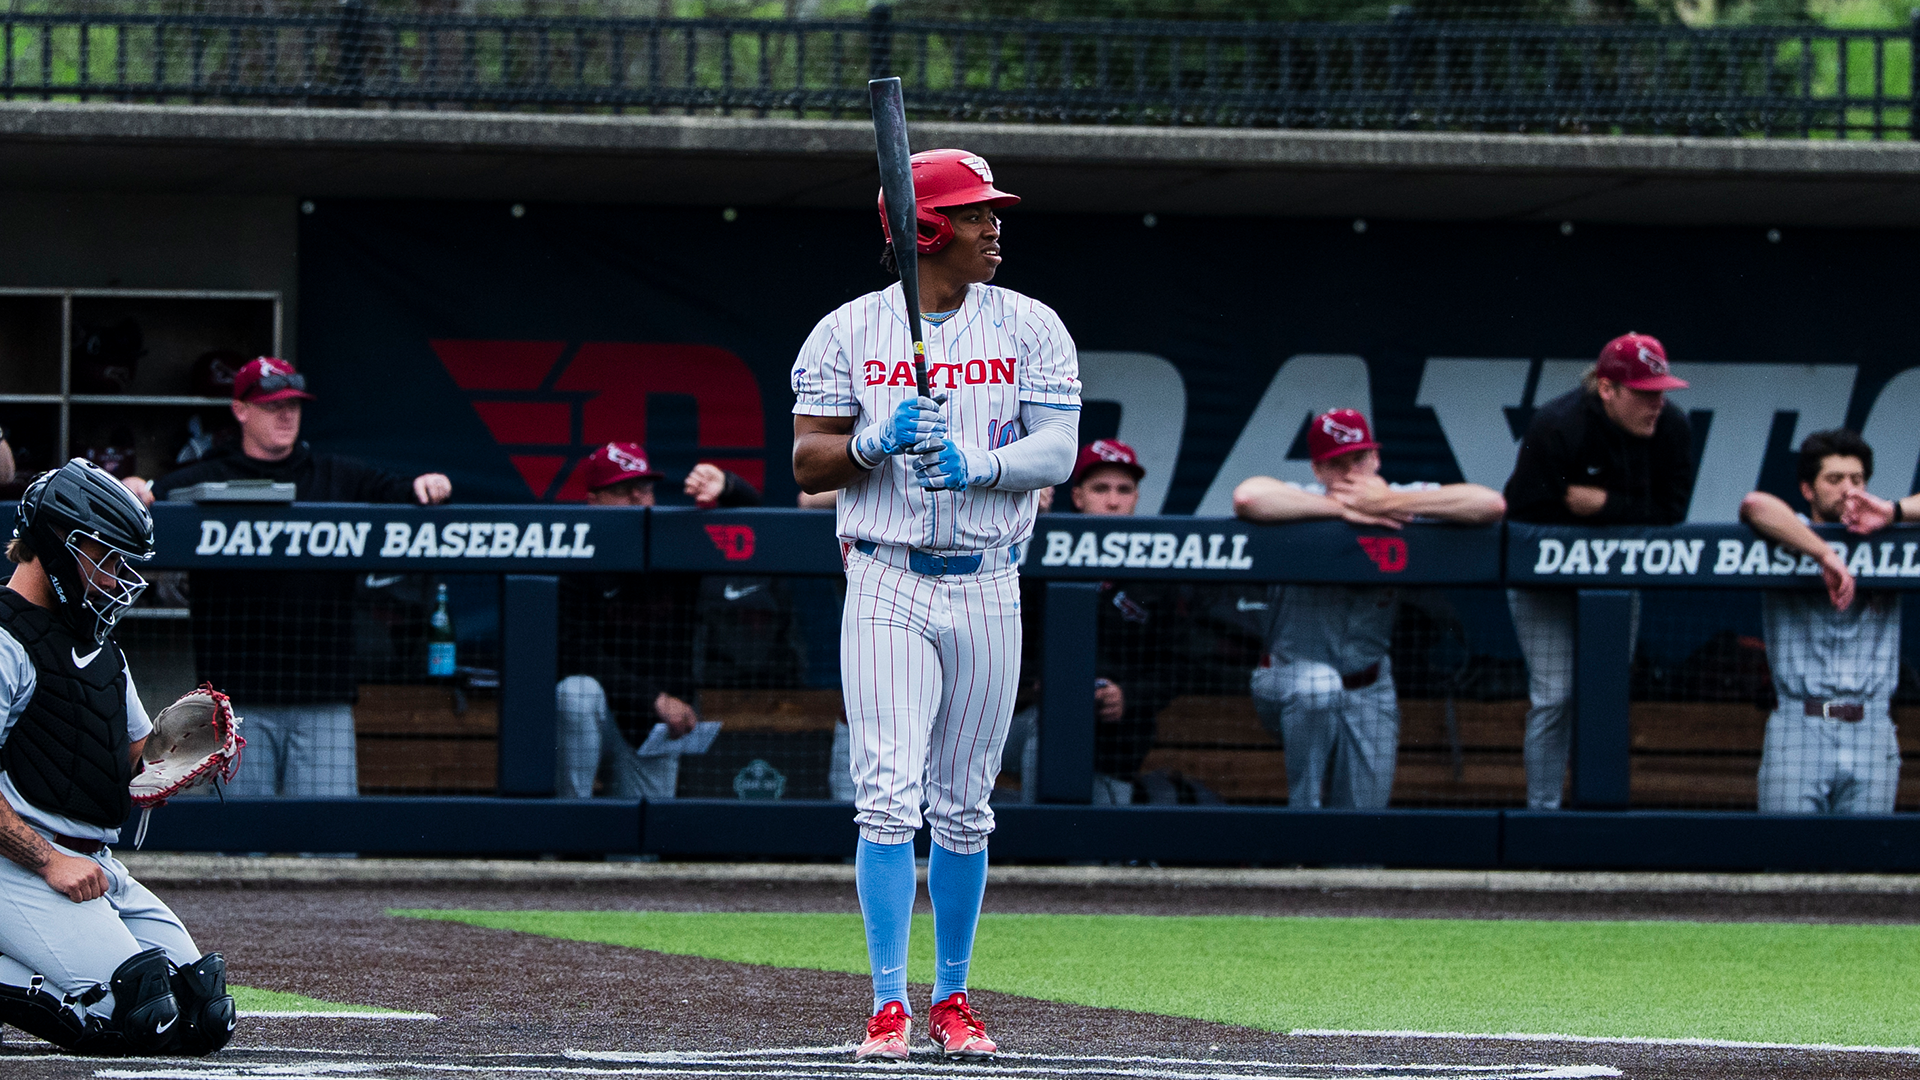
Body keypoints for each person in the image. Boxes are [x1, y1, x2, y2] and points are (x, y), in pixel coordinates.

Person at [791, 148, 1078, 1062]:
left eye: (993, 213)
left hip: (989, 578)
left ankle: (953, 997)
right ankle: (886, 1005)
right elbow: (807, 464)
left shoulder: (1031, 323)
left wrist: (982, 465)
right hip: (884, 573)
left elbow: (1060, 450)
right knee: (886, 795)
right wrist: (874, 442)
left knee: (964, 806)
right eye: (974, 214)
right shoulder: (847, 329)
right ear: (925, 229)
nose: (994, 227)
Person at [0, 460, 235, 1056]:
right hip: (21, 862)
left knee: (203, 1012)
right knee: (131, 1016)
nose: (115, 578)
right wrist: (48, 860)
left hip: (96, 861)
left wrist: (177, 753)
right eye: (103, 558)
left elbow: (130, 757)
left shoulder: (100, 648)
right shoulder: (5, 639)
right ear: (55, 547)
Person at [145, 357, 452, 798]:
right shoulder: (206, 477)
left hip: (321, 695)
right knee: (243, 848)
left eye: (293, 405)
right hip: (239, 700)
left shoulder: (336, 476)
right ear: (241, 410)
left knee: (326, 844)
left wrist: (430, 484)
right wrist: (138, 485)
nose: (286, 415)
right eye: (272, 405)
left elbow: (405, 491)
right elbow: (146, 497)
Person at [1232, 409, 1505, 808]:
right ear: (1317, 469)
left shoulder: (1398, 498)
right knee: (1317, 687)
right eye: (1336, 464)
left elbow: (1490, 505)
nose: (1351, 473)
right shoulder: (1299, 500)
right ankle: (1301, 825)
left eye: (1359, 459)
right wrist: (1342, 511)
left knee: (1362, 828)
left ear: (1376, 459)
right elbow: (1249, 496)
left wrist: (1390, 500)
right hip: (1289, 678)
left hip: (1368, 684)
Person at [1502, 333, 1695, 810]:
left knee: (1604, 695)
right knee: (1557, 697)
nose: (1656, 404)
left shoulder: (1672, 427)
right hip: (1542, 583)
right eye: (1644, 394)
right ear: (1607, 389)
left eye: (1661, 392)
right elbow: (1522, 518)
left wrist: (1606, 504)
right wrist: (1607, 520)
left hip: (1612, 579)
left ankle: (1600, 813)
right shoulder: (1558, 426)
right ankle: (1542, 813)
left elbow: (1672, 512)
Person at [555, 442, 762, 800]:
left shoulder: (675, 542)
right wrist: (653, 698)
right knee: (576, 692)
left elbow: (755, 529)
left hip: (652, 721)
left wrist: (728, 486)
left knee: (647, 845)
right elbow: (574, 652)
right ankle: (566, 834)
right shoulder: (574, 553)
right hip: (600, 716)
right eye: (622, 491)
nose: (639, 499)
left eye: (645, 488)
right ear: (593, 500)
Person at [1740, 429, 1901, 813]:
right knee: (1785, 862)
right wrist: (1824, 554)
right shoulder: (1790, 530)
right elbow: (1754, 504)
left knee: (1866, 868)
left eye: (1857, 480)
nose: (1848, 489)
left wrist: (1893, 512)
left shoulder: (1891, 536)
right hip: (1800, 720)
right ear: (1808, 489)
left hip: (1871, 721)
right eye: (1834, 479)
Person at [1003, 439, 1170, 805]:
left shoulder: (1159, 570)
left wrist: (1127, 695)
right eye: (1101, 488)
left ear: (1137, 497)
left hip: (1119, 738)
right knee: (1053, 720)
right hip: (1032, 723)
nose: (1113, 500)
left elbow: (1177, 665)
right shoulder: (1039, 550)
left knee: (1100, 849)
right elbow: (1009, 640)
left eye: (1124, 490)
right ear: (1077, 496)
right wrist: (1045, 682)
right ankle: (1043, 851)